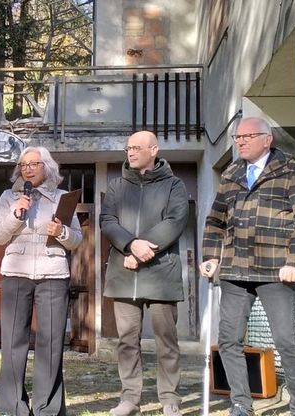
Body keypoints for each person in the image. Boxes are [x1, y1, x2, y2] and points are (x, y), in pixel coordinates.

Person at [201, 117, 295, 416]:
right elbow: (215, 221)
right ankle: (241, 403)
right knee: (228, 341)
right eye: (237, 137)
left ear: (267, 139)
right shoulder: (231, 174)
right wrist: (211, 256)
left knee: (284, 340)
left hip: (277, 270)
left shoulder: (292, 170)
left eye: (247, 136)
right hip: (235, 270)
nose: (240, 141)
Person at [100, 131, 189, 416]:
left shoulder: (174, 185)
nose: (131, 152)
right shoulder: (116, 186)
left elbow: (175, 221)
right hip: (124, 273)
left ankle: (170, 398)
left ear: (154, 150)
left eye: (137, 147)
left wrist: (140, 251)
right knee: (127, 341)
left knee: (166, 340)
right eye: (128, 148)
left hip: (161, 272)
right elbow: (107, 220)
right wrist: (130, 245)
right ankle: (129, 399)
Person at [0, 147, 83, 416]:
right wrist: (16, 214)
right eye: (24, 164)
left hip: (53, 274)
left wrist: (62, 231)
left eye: (35, 163)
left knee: (51, 342)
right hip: (16, 274)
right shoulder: (10, 198)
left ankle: (47, 408)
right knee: (12, 342)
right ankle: (12, 406)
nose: (28, 168)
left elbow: (76, 239)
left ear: (47, 167)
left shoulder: (62, 198)